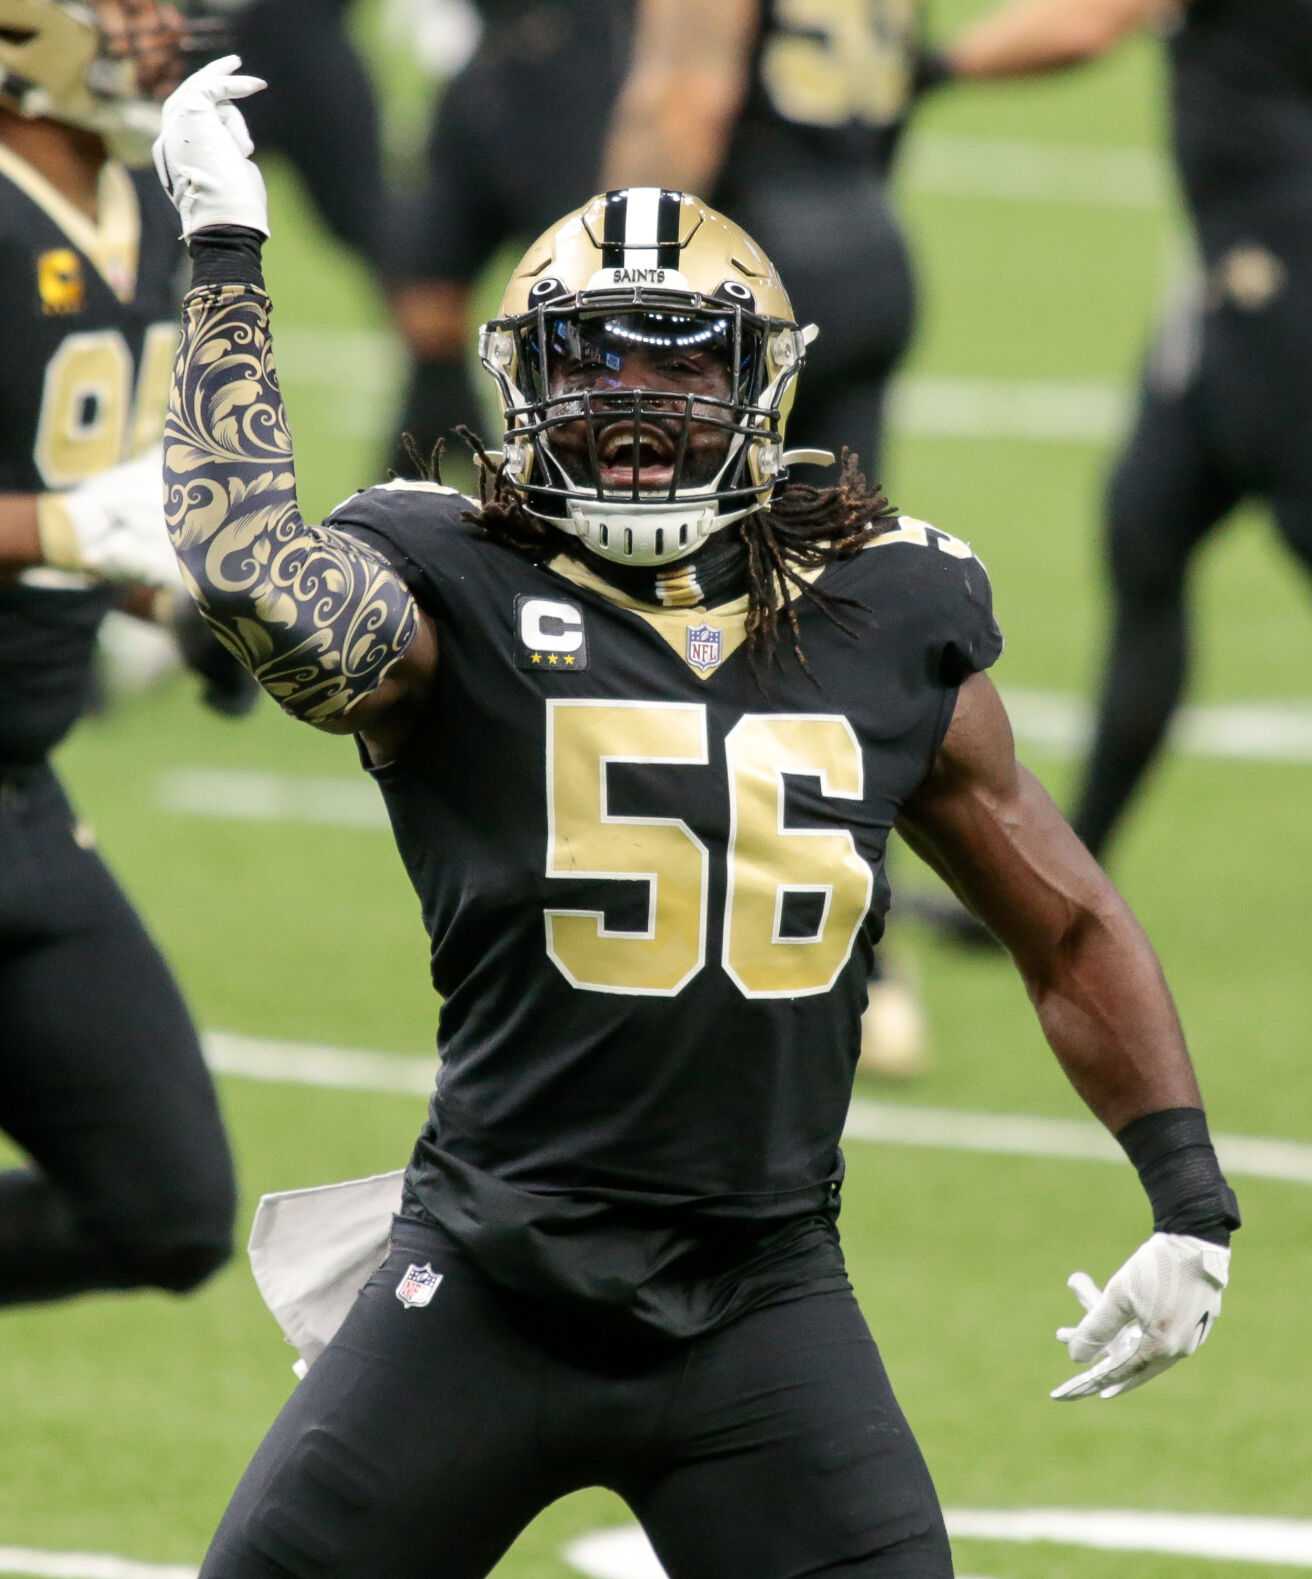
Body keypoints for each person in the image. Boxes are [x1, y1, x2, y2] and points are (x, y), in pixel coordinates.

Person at [154, 57, 1240, 1579]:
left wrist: (1188, 1198)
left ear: (763, 383)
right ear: (524, 380)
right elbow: (245, 573)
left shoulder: (885, 608)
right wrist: (222, 254)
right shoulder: (443, 584)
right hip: (489, 1277)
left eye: (679, 364)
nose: (632, 406)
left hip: (763, 1303)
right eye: (593, 361)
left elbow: (1062, 918)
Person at [602, 0, 945, 1070]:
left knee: (664, 612)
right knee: (829, 617)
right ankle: (866, 961)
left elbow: (686, 101)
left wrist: (614, 282)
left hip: (756, 287)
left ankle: (655, 925)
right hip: (870, 255)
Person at [936, 0, 1312, 866]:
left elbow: (1087, 22)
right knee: (1146, 528)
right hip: (1232, 271)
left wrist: (927, 72)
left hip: (1286, 271)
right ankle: (1066, 876)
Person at [0, 0, 238, 1304]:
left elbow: (93, 488)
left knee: (163, 1204)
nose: (165, 32)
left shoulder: (144, 204)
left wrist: (178, 604)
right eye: (130, 7)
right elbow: (75, 509)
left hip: (22, 791)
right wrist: (77, 526)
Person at [389, 0, 636, 477]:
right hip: (492, 61)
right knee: (424, 297)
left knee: (580, 303)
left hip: (581, 76)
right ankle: (440, 472)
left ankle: (572, 480)